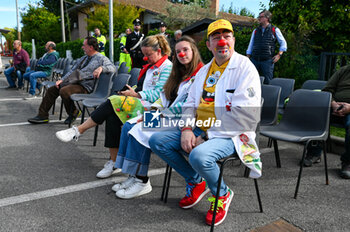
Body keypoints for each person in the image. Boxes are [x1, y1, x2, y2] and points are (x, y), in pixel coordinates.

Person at [149, 19, 261, 226]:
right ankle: (196, 181)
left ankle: (222, 193)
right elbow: (190, 103)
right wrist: (187, 129)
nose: (222, 41)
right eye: (216, 37)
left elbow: (245, 116)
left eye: (226, 36)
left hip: (232, 133)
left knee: (199, 155)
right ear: (208, 45)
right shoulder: (204, 71)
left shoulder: (245, 68)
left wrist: (206, 136)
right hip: (200, 127)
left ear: (234, 41)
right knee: (157, 140)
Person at [55, 35, 173, 179]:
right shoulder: (151, 67)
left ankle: (79, 130)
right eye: (144, 55)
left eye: (148, 55)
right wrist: (130, 91)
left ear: (159, 51)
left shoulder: (167, 67)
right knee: (112, 114)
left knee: (114, 102)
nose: (145, 58)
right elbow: (144, 88)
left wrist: (135, 95)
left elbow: (158, 94)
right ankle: (114, 162)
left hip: (155, 111)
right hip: (142, 104)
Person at [110, 36, 204, 199]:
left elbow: (185, 106)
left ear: (194, 51)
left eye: (185, 50)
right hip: (167, 115)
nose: (182, 54)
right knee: (129, 126)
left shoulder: (200, 75)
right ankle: (133, 175)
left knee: (139, 130)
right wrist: (152, 112)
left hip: (183, 120)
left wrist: (156, 115)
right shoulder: (178, 73)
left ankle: (142, 181)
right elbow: (163, 97)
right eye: (178, 51)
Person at [27, 36, 116, 125]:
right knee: (52, 89)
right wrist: (61, 80)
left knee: (64, 91)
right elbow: (72, 71)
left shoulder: (101, 58)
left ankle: (73, 112)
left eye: (84, 45)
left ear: (91, 47)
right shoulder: (84, 58)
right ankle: (42, 116)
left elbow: (113, 68)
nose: (82, 47)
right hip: (75, 83)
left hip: (86, 87)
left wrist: (101, 68)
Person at [301, 65, 350, 179]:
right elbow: (327, 90)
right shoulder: (343, 70)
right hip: (335, 107)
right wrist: (333, 104)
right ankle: (314, 153)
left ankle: (348, 162)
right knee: (316, 114)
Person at [246, 10, 287, 84]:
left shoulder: (274, 30)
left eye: (261, 17)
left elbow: (283, 43)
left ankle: (268, 96)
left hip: (267, 61)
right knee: (251, 81)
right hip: (254, 59)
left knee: (268, 82)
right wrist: (248, 57)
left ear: (267, 18)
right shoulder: (255, 31)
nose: (259, 18)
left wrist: (279, 54)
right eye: (259, 17)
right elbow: (251, 44)